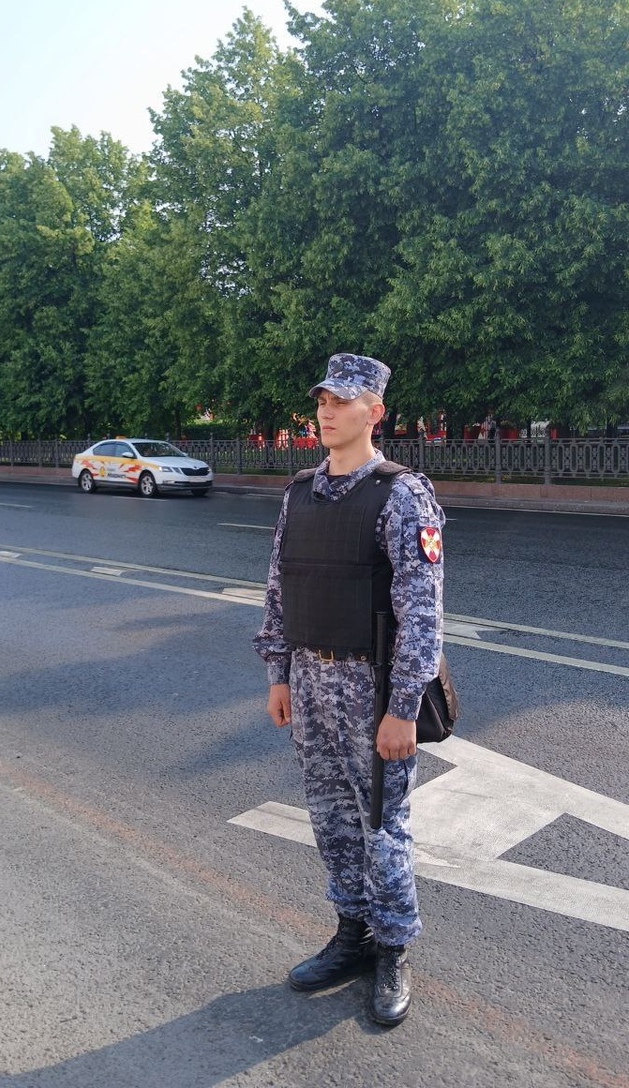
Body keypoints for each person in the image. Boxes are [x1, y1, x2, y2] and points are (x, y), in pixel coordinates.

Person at [253, 353, 445, 1027]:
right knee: (331, 818)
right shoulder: (299, 492)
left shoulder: (401, 495)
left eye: (342, 401)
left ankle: (392, 949)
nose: (326, 411)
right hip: (309, 680)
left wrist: (403, 709)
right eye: (322, 400)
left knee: (383, 827)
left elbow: (422, 613)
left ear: (375, 411)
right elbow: (279, 588)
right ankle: (351, 935)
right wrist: (278, 674)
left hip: (371, 688)